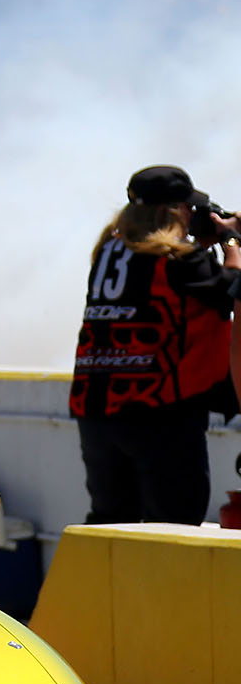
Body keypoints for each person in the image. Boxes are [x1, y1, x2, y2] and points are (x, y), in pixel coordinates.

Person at [69, 165, 241, 525]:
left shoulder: (108, 252)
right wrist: (231, 241)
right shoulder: (178, 260)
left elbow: (174, 285)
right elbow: (231, 289)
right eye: (189, 209)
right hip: (160, 412)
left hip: (98, 408)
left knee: (112, 521)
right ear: (171, 211)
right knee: (175, 523)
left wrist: (201, 245)